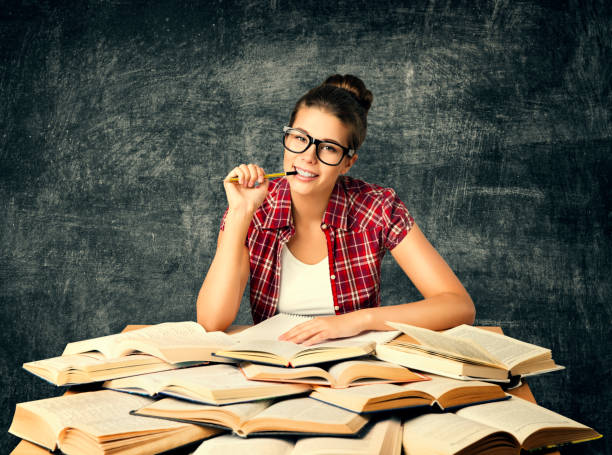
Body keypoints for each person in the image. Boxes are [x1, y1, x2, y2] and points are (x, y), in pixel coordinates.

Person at [197, 74, 475, 345]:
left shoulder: (377, 207)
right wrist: (240, 213)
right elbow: (211, 321)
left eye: (328, 148)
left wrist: (356, 321)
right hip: (278, 370)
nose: (307, 157)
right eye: (299, 138)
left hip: (354, 375)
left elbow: (458, 306)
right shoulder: (254, 210)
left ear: (347, 163)